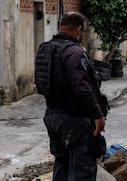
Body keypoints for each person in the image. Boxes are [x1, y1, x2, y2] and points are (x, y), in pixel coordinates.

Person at [34, 12, 107, 181]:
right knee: (82, 170)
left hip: (53, 116)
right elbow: (82, 88)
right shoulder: (73, 52)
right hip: (74, 121)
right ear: (79, 29)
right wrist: (98, 116)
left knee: (62, 163)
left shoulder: (46, 49)